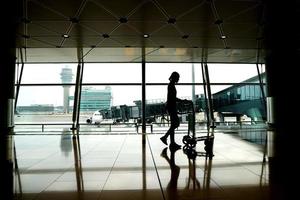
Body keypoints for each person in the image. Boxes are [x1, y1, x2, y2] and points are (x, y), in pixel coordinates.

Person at [160, 71, 187, 149]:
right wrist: (182, 101)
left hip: (171, 107)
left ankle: (171, 142)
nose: (178, 79)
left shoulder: (171, 85)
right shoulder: (171, 85)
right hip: (171, 107)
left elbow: (172, 98)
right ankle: (165, 137)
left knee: (173, 124)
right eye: (178, 77)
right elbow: (173, 98)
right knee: (176, 124)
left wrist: (181, 101)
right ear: (175, 77)